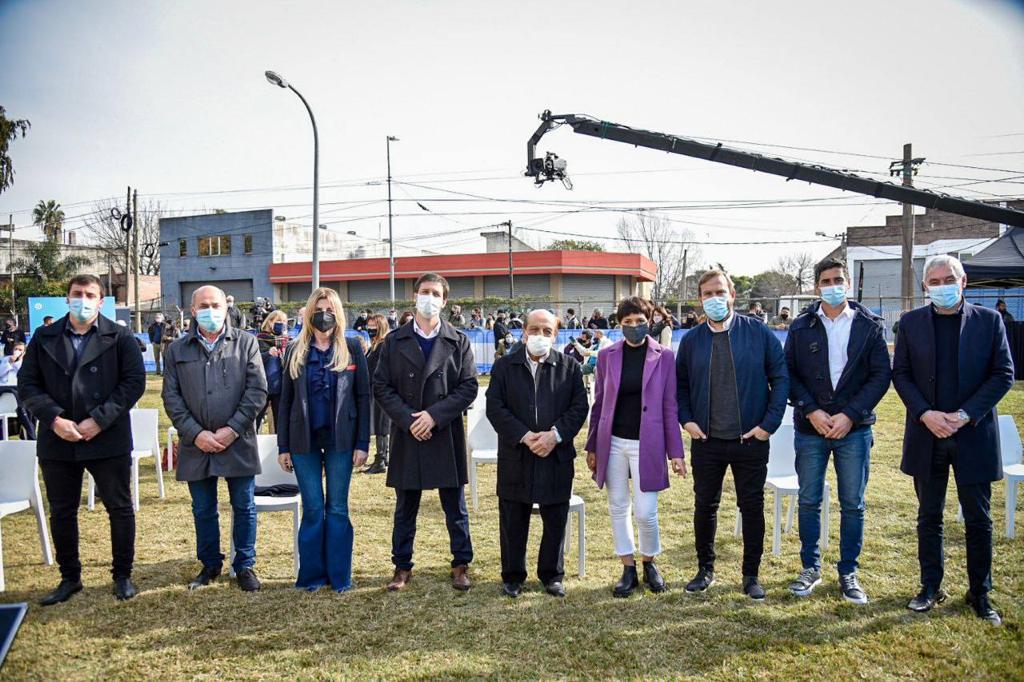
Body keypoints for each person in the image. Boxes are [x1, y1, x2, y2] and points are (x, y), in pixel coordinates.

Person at [892, 255, 1013, 626]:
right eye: (934, 281)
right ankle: (930, 586)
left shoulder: (989, 321)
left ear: (963, 283)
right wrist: (926, 414)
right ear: (925, 286)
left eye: (948, 279)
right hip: (927, 434)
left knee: (978, 519)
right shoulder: (910, 324)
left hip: (972, 433)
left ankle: (980, 592)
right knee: (929, 516)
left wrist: (963, 415)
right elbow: (902, 374)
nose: (941, 286)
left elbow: (1002, 373)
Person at [19, 274, 145, 605]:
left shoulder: (119, 336)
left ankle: (122, 575)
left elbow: (133, 383)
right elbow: (28, 384)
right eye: (78, 293)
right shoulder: (44, 337)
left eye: (91, 295)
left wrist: (98, 421)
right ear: (67, 298)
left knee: (119, 507)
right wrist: (54, 419)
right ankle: (69, 578)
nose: (83, 300)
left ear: (101, 301)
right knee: (62, 511)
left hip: (107, 438)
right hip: (58, 440)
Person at [677, 269, 789, 601]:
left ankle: (750, 575)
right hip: (707, 441)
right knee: (704, 506)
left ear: (732, 295)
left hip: (750, 438)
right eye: (707, 293)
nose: (714, 298)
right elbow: (680, 386)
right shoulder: (692, 340)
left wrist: (769, 424)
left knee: (751, 506)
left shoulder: (758, 332)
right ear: (699, 299)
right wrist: (687, 419)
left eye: (720, 292)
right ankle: (705, 569)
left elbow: (780, 378)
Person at [784, 258, 891, 604]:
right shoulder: (800, 327)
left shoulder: (870, 326)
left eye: (838, 279)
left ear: (848, 284)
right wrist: (811, 410)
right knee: (809, 500)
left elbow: (880, 376)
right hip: (810, 428)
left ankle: (848, 572)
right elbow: (788, 376)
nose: (832, 285)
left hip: (854, 429)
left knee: (852, 504)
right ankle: (810, 568)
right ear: (817, 286)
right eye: (825, 280)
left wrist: (850, 415)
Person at [373, 272, 478, 592]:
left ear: (444, 302)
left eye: (435, 293)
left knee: (454, 505)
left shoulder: (458, 340)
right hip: (408, 434)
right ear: (415, 296)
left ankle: (461, 564)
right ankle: (401, 566)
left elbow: (469, 386)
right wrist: (408, 419)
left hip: (444, 433)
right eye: (424, 292)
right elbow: (381, 385)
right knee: (406, 506)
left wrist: (434, 416)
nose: (429, 298)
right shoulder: (394, 340)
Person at [162, 285, 268, 592]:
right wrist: (197, 434)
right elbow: (171, 398)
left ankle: (245, 565)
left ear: (226, 307)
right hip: (197, 445)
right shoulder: (176, 350)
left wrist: (232, 429)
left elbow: (257, 391)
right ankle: (209, 564)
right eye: (204, 305)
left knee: (244, 505)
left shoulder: (246, 343)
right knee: (203, 508)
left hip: (238, 440)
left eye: (216, 304)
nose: (211, 310)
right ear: (193, 311)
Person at [583, 297, 687, 597]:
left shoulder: (665, 357)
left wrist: (676, 453)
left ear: (650, 320)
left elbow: (670, 407)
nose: (634, 327)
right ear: (619, 324)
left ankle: (649, 561)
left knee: (646, 512)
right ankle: (627, 566)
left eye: (639, 321)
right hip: (612, 442)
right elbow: (599, 403)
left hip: (648, 444)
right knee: (618, 506)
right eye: (627, 322)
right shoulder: (607, 356)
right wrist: (592, 445)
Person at [486, 309, 589, 598]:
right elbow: (495, 406)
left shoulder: (569, 367)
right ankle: (513, 576)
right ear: (524, 332)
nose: (540, 336)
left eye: (547, 331)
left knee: (555, 517)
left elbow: (579, 408)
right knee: (513, 518)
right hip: (516, 453)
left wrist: (554, 436)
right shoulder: (504, 366)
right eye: (534, 329)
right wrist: (524, 435)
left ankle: (551, 575)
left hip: (555, 455)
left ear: (556, 335)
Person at [276, 288, 369, 592]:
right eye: (318, 308)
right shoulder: (295, 350)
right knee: (314, 508)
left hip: (342, 441)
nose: (323, 314)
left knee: (338, 508)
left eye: (329, 308)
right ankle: (312, 576)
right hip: (304, 442)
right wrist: (283, 447)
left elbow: (364, 398)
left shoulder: (353, 348)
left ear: (338, 313)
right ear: (308, 312)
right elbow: (285, 402)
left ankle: (340, 576)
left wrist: (363, 444)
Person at [363, 313, 392, 474]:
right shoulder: (374, 345)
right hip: (373, 389)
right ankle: (382, 457)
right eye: (369, 327)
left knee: (382, 424)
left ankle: (381, 458)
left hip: (381, 390)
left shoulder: (383, 345)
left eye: (374, 327)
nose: (371, 329)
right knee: (379, 424)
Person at [256, 309, 290, 433]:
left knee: (280, 422)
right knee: (256, 420)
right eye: (278, 321)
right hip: (263, 386)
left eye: (284, 321)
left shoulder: (288, 340)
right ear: (270, 322)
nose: (281, 324)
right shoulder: (260, 338)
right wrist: (268, 353)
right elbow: (254, 358)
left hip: (280, 387)